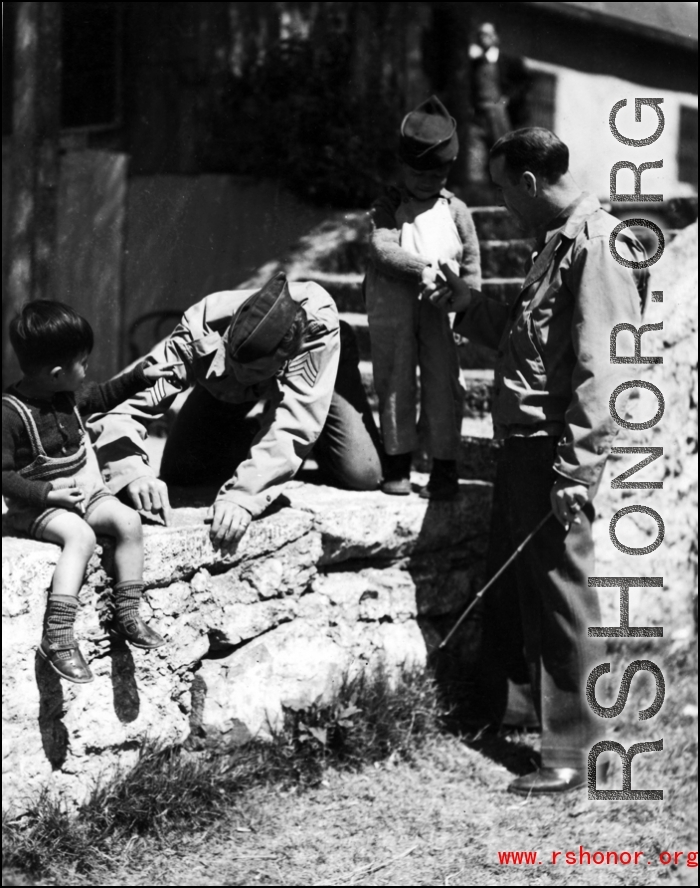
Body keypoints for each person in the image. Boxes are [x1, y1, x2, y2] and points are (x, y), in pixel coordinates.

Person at [428, 128, 649, 794]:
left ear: (527, 183)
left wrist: (576, 471)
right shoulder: (554, 244)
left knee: (560, 599)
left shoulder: (598, 245)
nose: (498, 204)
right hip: (525, 447)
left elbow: (602, 372)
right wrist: (468, 307)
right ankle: (533, 720)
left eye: (499, 188)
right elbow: (532, 344)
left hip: (554, 449)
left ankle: (571, 754)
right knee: (531, 592)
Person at [89, 272, 383, 553]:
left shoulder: (315, 328)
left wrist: (243, 495)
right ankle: (258, 429)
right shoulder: (199, 330)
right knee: (183, 471)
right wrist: (132, 471)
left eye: (251, 370)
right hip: (226, 387)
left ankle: (306, 434)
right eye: (234, 360)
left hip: (322, 372)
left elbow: (296, 420)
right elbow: (121, 406)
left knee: (362, 474)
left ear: (283, 360)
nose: (240, 372)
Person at [2, 301, 181, 683]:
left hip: (86, 495)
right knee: (80, 537)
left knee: (128, 520)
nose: (87, 370)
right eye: (82, 363)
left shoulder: (68, 395)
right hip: (38, 507)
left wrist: (140, 377)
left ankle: (128, 613)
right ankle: (59, 637)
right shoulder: (11, 414)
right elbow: (3, 476)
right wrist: (47, 494)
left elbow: (102, 396)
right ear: (55, 373)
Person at [365, 95, 481, 498]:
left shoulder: (457, 210)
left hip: (440, 310)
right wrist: (423, 269)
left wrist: (469, 310)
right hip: (393, 309)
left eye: (436, 175)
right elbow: (382, 249)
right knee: (395, 380)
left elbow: (470, 265)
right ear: (402, 168)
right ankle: (397, 463)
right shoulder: (389, 205)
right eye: (417, 174)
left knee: (444, 383)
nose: (426, 183)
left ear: (449, 170)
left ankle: (444, 469)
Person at [469, 22, 530, 148]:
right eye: (480, 34)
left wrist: (507, 99)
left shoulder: (509, 61)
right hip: (478, 118)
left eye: (487, 34)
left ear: (496, 37)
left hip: (500, 116)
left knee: (501, 152)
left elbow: (525, 83)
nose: (482, 38)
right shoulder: (475, 63)